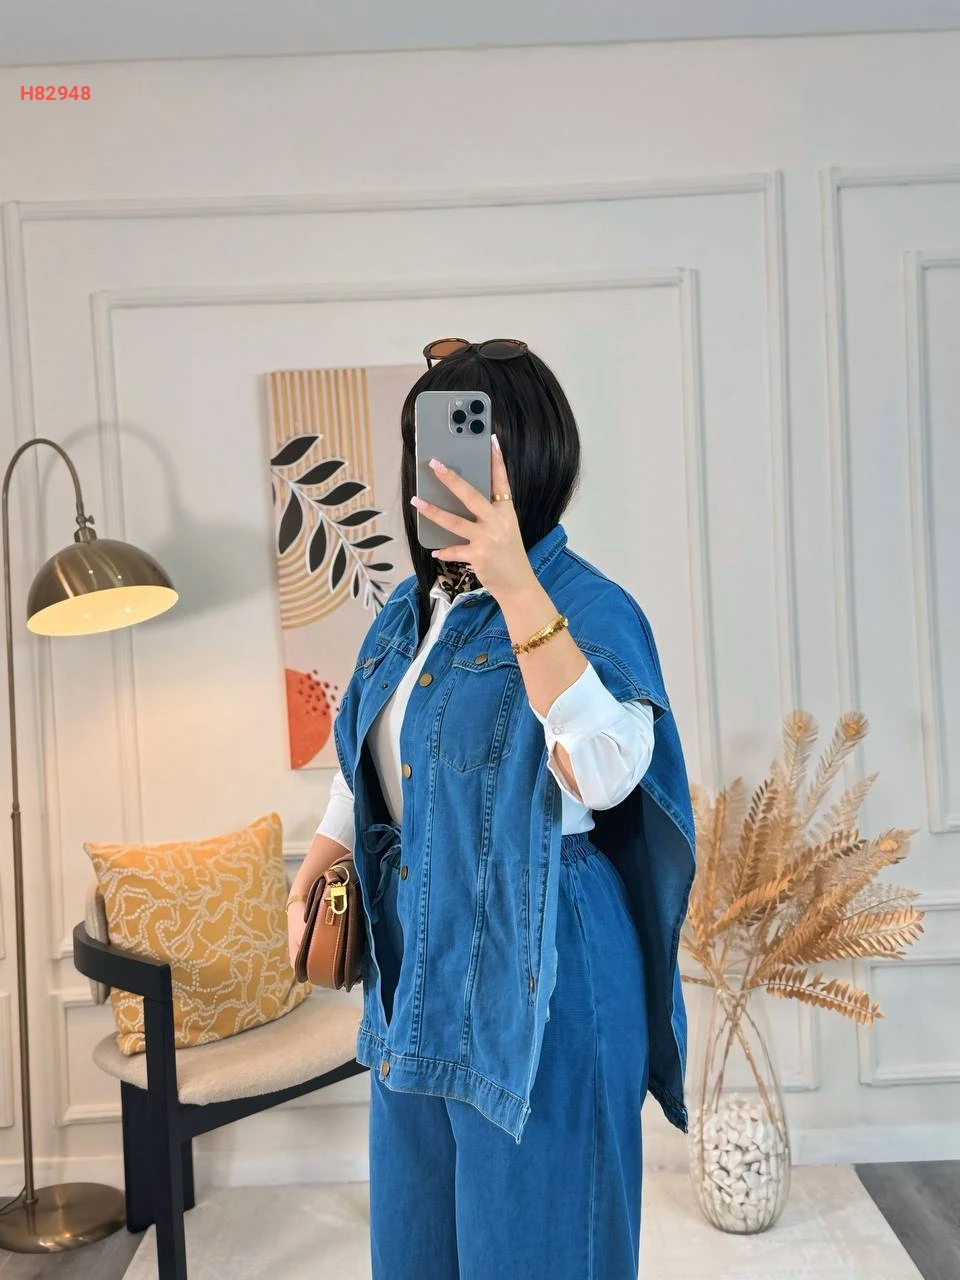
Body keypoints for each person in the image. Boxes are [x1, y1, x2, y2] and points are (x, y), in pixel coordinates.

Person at [287, 338, 695, 1280]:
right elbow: (366, 757)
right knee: (415, 1253)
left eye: (467, 448)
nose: (438, 475)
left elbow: (605, 774)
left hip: (544, 977)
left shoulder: (592, 608)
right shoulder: (409, 612)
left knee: (540, 1252)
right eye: (425, 450)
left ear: (529, 458)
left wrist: (515, 583)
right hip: (416, 978)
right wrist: (324, 854)